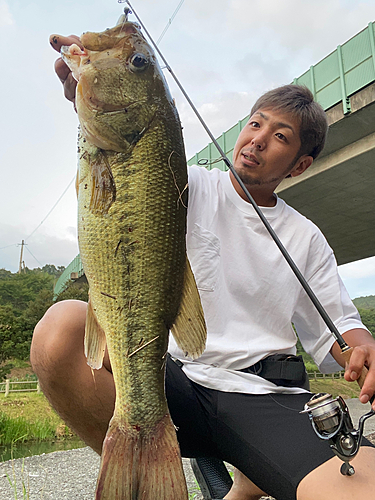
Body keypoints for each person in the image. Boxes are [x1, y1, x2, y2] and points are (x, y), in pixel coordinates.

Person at [31, 34, 375, 500]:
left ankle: (248, 478)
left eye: (280, 137)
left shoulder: (305, 237)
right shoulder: (183, 182)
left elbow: (338, 329)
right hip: (172, 379)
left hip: (262, 395)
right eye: (256, 123)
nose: (257, 139)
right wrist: (86, 96)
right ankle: (144, 464)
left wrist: (363, 349)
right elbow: (123, 166)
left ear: (300, 165)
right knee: (60, 330)